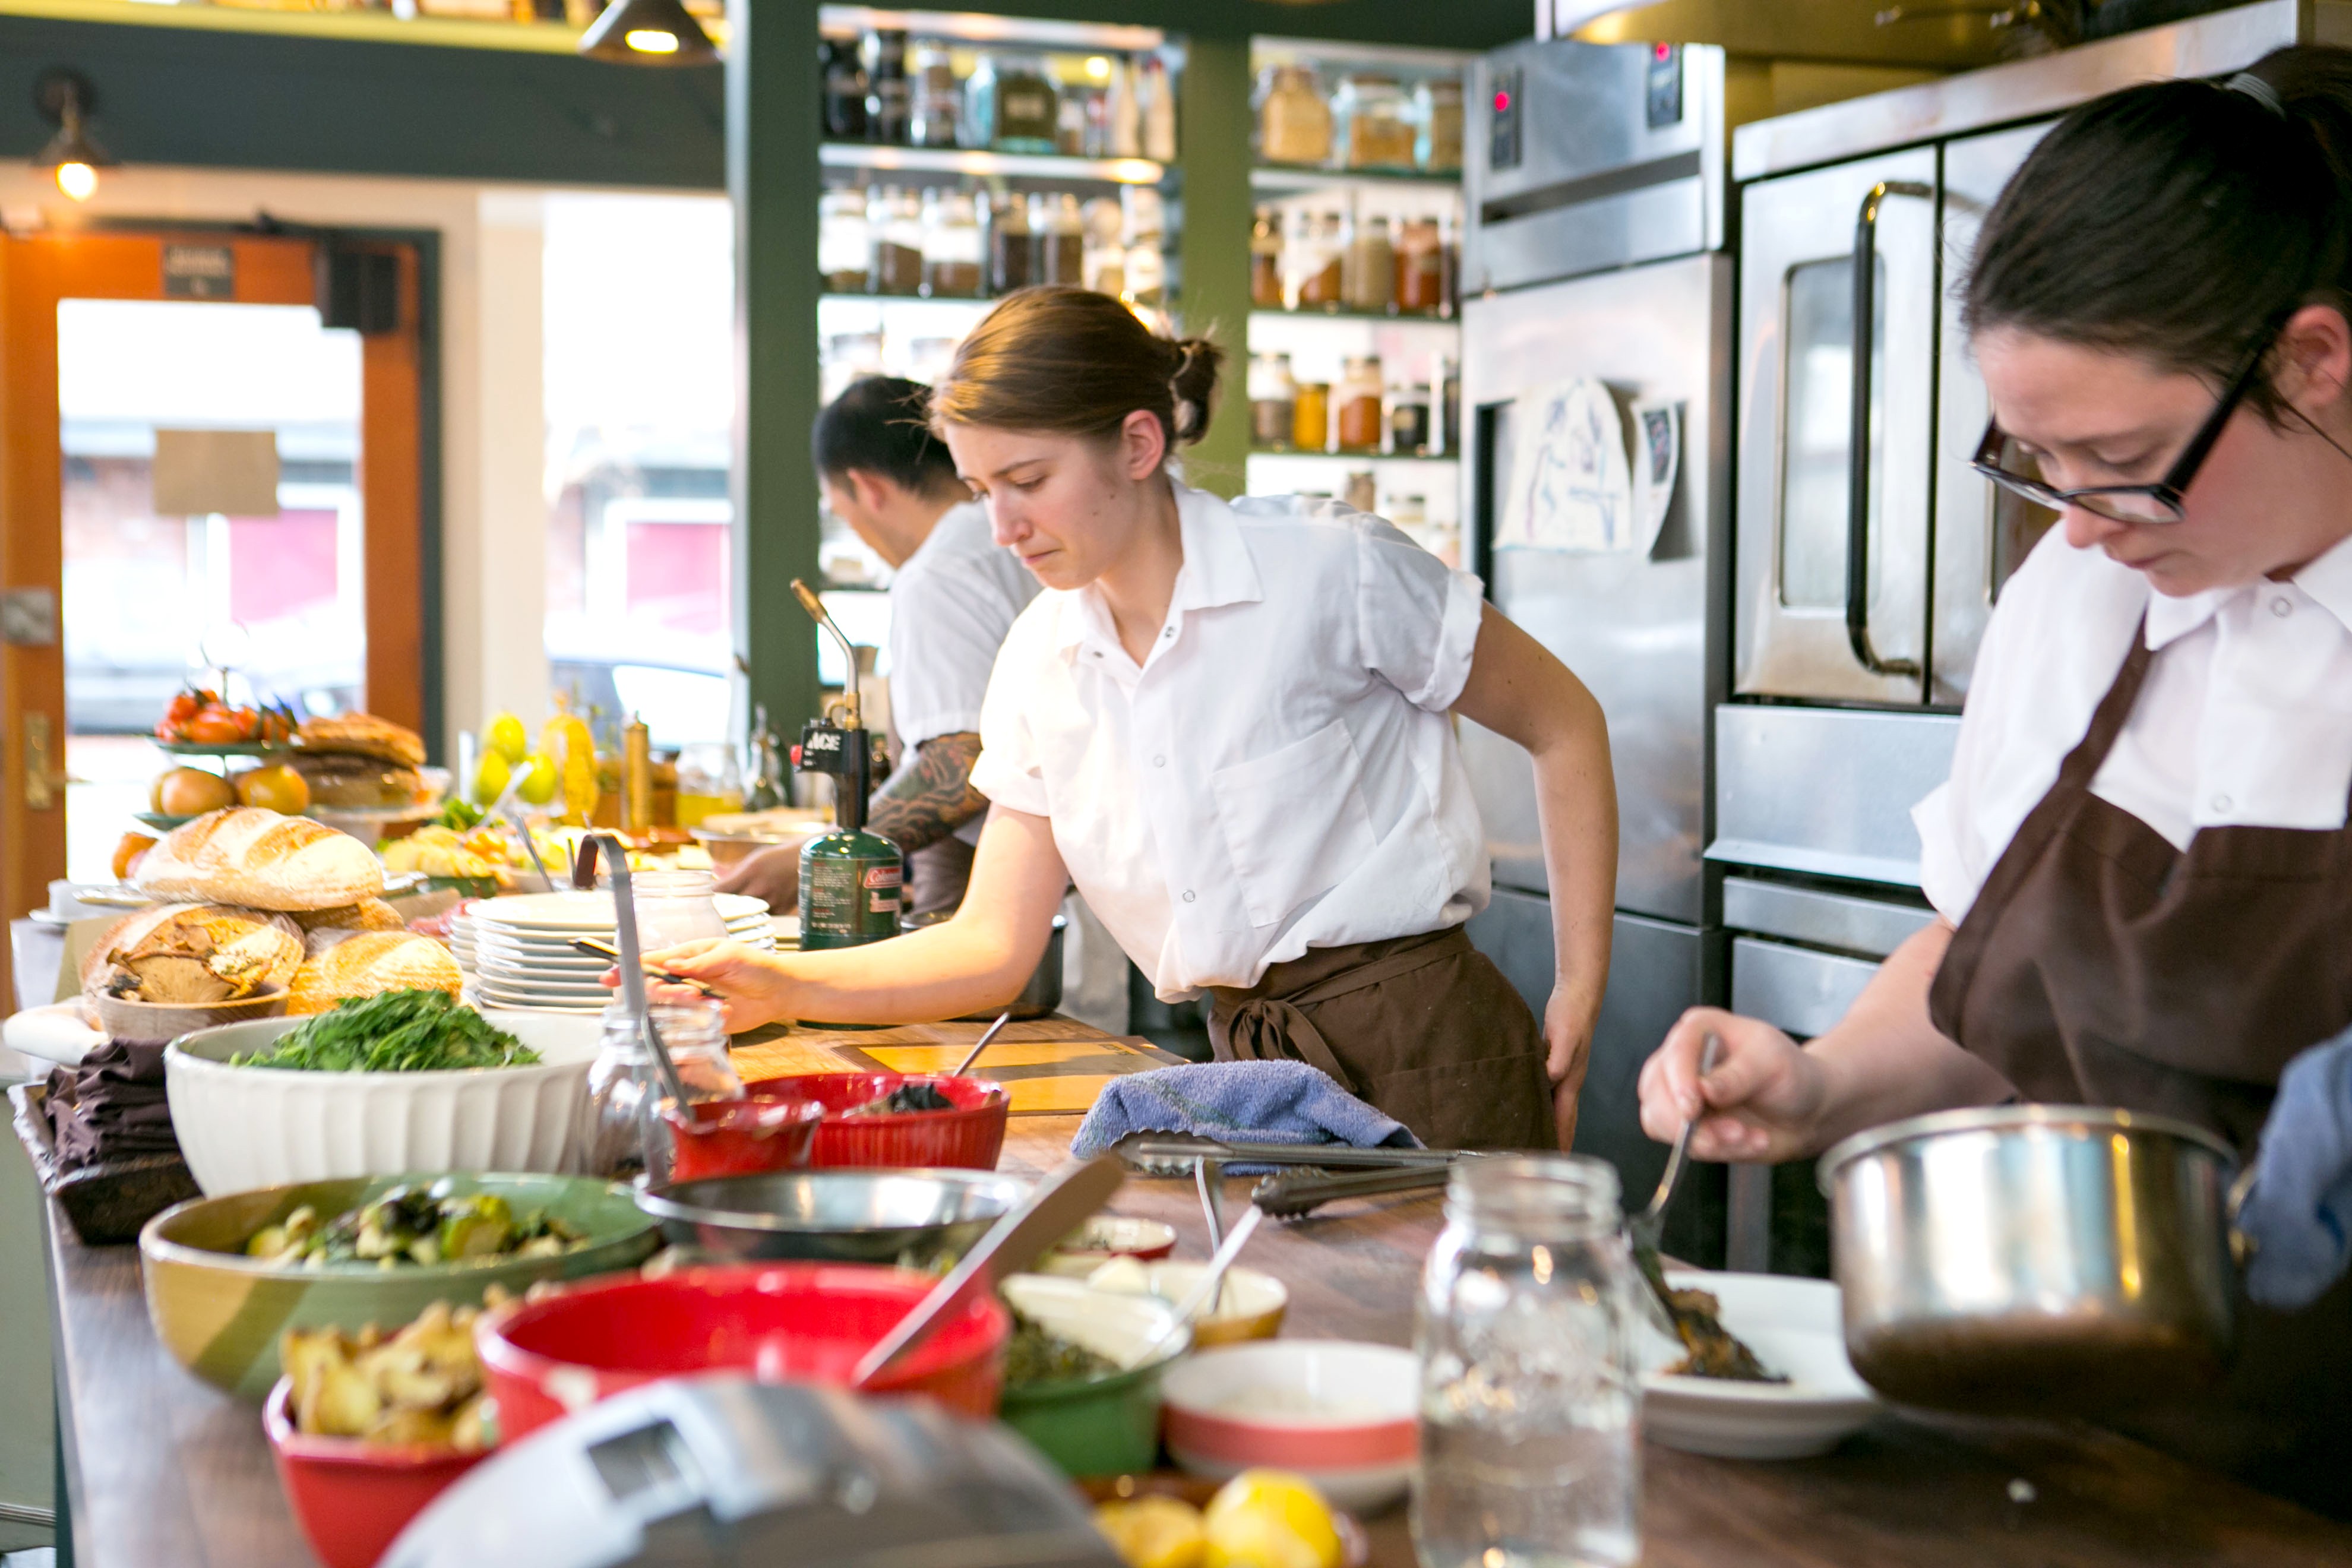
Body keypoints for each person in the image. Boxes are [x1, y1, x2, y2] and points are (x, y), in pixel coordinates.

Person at [1635, 48, 2352, 1515]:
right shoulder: (2079, 606)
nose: (2078, 528)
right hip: (2043, 1448)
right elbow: (1976, 951)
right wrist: (1823, 1077)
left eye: (2119, 459)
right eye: (2032, 463)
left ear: (2309, 363)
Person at [653, 286, 1618, 1150]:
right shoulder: (1041, 659)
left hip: (1430, 1053)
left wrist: (1580, 986)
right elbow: (993, 946)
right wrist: (777, 985)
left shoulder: (1330, 568)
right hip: (1246, 1078)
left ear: (1140, 444)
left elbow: (1565, 720)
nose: (1002, 528)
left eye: (1027, 482)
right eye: (983, 490)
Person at [720, 375, 1036, 919]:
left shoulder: (937, 573)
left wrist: (818, 854)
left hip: (1006, 904)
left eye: (841, 511)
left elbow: (961, 766)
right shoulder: (1012, 536)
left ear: (867, 488)